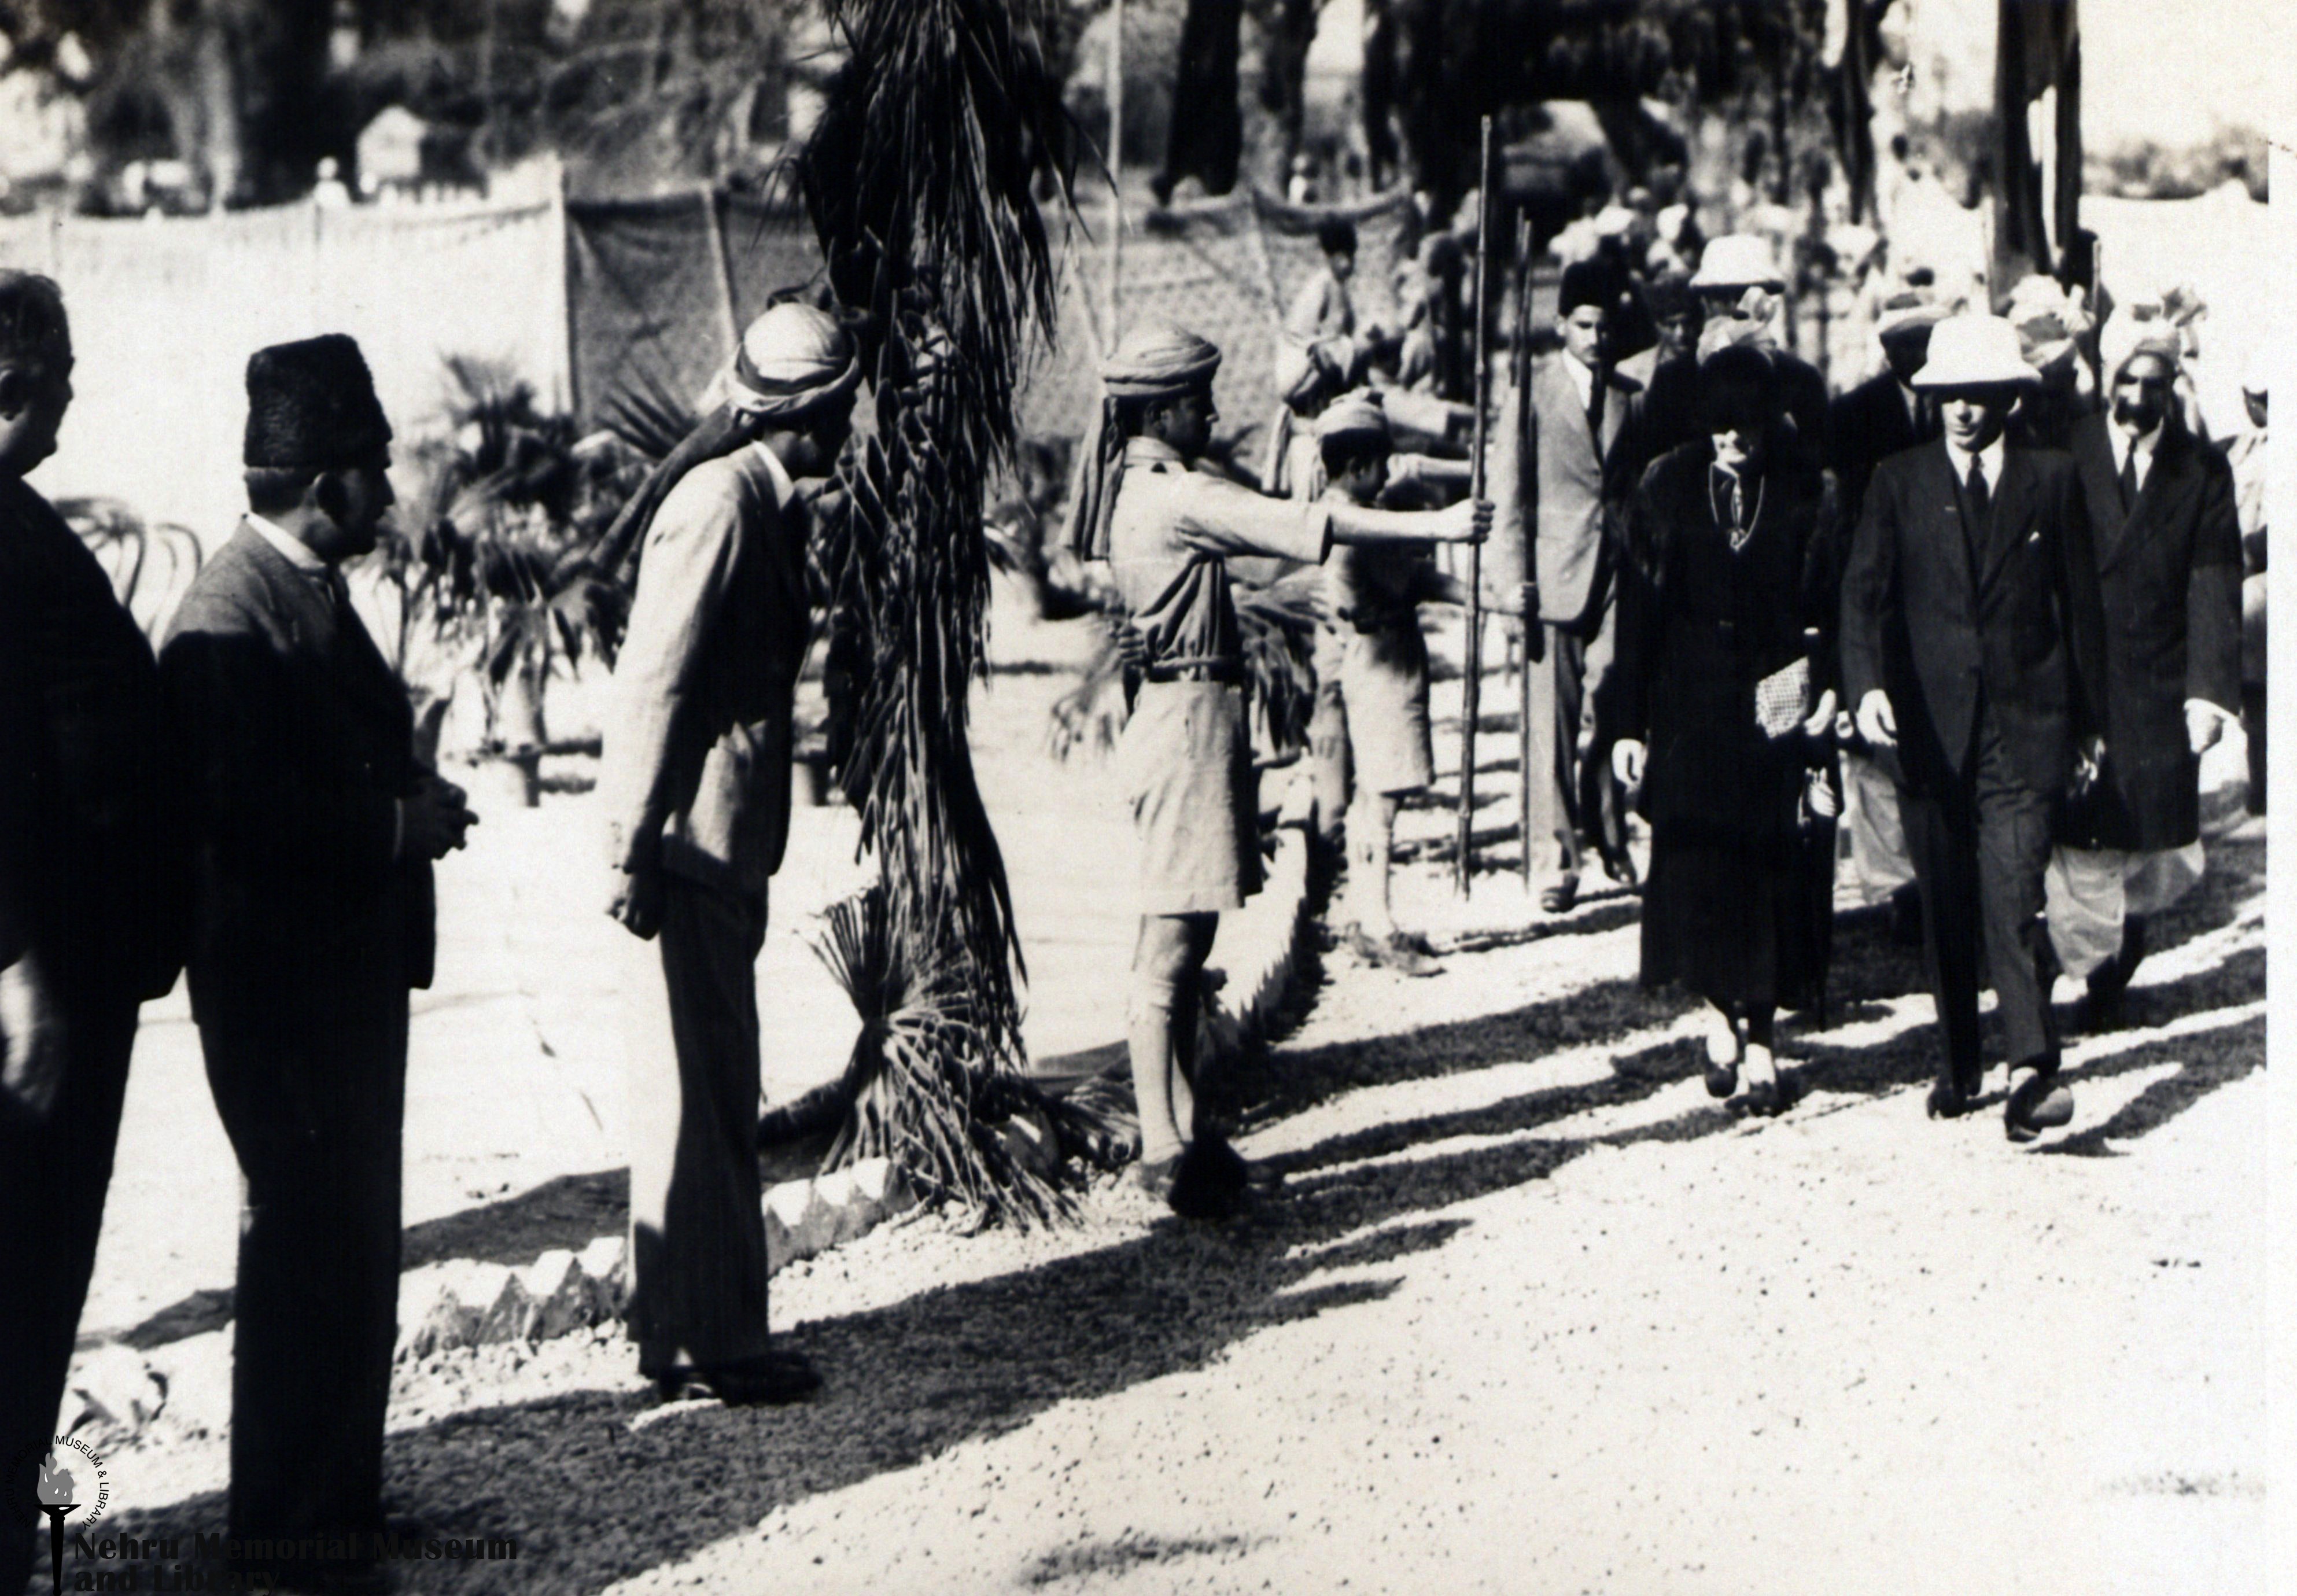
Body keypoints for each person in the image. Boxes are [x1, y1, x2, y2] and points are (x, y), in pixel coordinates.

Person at [161, 334, 477, 1590]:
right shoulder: (225, 617)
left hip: (336, 989)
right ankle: (289, 1536)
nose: (390, 498)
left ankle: (335, 1500)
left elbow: (320, 765)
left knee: (348, 1247)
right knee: (302, 1248)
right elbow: (241, 823)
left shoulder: (300, 594)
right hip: (283, 1002)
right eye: (374, 472)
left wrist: (409, 790)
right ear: (324, 483)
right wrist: (398, 825)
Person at [1064, 321, 1485, 1214]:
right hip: (1185, 725)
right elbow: (1310, 523)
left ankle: (1182, 1138)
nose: (1213, 414)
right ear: (1167, 410)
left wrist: (1287, 597)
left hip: (1187, 715)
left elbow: (1232, 576)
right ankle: (1163, 1150)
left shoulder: (1145, 492)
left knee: (1186, 944)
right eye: (1200, 402)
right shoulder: (1172, 494)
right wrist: (1439, 521)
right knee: (1168, 949)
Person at [596, 301, 862, 1406]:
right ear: (805, 413)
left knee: (703, 1083)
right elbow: (653, 681)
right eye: (839, 412)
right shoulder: (720, 505)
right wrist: (627, 844)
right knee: (707, 1093)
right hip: (693, 840)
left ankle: (691, 1329)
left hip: (722, 835)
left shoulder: (762, 495)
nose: (848, 432)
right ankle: (717, 1341)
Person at [0, 273, 178, 1596]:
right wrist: (20, 974)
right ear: (13, 382)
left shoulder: (17, 522)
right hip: (41, 987)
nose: (73, 388)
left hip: (69, 968)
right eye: (62, 367)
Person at [1839, 312, 2107, 1140]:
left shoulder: (2050, 479)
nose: (1959, 411)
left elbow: (2081, 610)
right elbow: (1860, 597)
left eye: (1975, 396)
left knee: (2013, 892)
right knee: (1947, 901)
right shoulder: (1897, 480)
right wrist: (1866, 687)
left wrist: (2091, 726)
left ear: (2006, 400)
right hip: (1924, 728)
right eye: (1946, 395)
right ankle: (1959, 1061)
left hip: (2025, 725)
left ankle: (2031, 1069)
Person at [1610, 345, 1842, 1115]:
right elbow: (1637, 618)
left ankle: (1766, 1039)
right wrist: (1625, 724)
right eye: (1717, 428)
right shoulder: (1665, 485)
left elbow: (1833, 610)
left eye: (1743, 427)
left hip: (1776, 709)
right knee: (1701, 873)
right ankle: (1717, 1015)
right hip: (1688, 711)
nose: (1730, 442)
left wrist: (1827, 693)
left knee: (1772, 875)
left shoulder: (1808, 488)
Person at [2059, 319, 2241, 1030]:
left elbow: (2212, 579)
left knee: (2151, 841)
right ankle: (2084, 966)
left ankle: (2118, 942)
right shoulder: (2064, 451)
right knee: (2078, 832)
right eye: (2126, 383)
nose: (2137, 397)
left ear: (2172, 388)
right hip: (2079, 674)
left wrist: (2208, 694)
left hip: (2157, 683)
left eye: (2153, 385)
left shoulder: (2200, 470)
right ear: (2107, 382)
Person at [1315, 393, 1468, 976]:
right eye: (1380, 465)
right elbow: (1408, 581)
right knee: (1382, 797)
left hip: (1376, 658)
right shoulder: (1359, 524)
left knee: (1373, 799)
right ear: (1357, 469)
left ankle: (1370, 915)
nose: (1386, 474)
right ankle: (1377, 925)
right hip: (1380, 662)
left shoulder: (1356, 515)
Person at [1526, 259, 1643, 912]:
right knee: (1554, 721)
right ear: (1559, 326)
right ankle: (1557, 856)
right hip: (1552, 575)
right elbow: (1510, 494)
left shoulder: (1629, 393)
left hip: (1616, 573)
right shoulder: (1533, 393)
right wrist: (1510, 586)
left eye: (1605, 326)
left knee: (1610, 699)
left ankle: (1607, 828)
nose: (1596, 337)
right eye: (1584, 325)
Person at [1684, 234, 1830, 457]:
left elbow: (1813, 468)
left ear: (1769, 303)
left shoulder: (1800, 380)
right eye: (1721, 296)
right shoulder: (1676, 379)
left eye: (1746, 295)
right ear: (1705, 302)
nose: (1737, 308)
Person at [2226, 359, 2266, 812]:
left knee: (2260, 698)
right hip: (2252, 580)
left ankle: (2265, 792)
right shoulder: (2249, 446)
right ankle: (2261, 790)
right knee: (2254, 696)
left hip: (2262, 578)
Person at [1285, 217, 1362, 347]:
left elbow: (1348, 327)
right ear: (1331, 257)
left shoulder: (1337, 283)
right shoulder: (1326, 284)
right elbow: (1335, 331)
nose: (1350, 264)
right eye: (1345, 257)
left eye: (1352, 257)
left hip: (1312, 347)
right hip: (1302, 352)